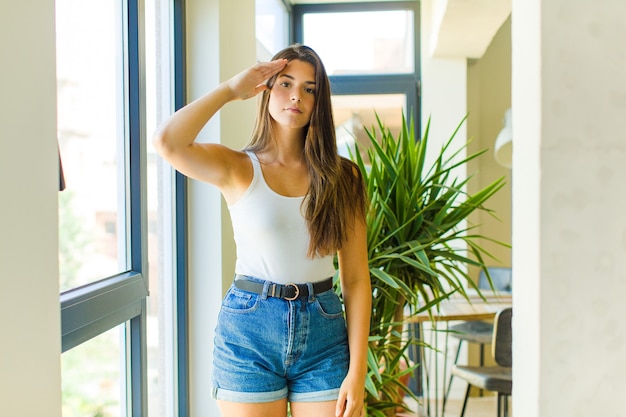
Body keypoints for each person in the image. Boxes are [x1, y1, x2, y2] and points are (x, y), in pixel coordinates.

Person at [153, 44, 371, 417]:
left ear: (320, 101)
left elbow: (355, 280)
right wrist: (230, 90)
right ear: (267, 89)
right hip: (249, 331)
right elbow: (168, 142)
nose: (296, 96)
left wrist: (358, 370)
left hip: (324, 334)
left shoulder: (342, 176)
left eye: (309, 88)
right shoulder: (237, 167)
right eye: (286, 83)